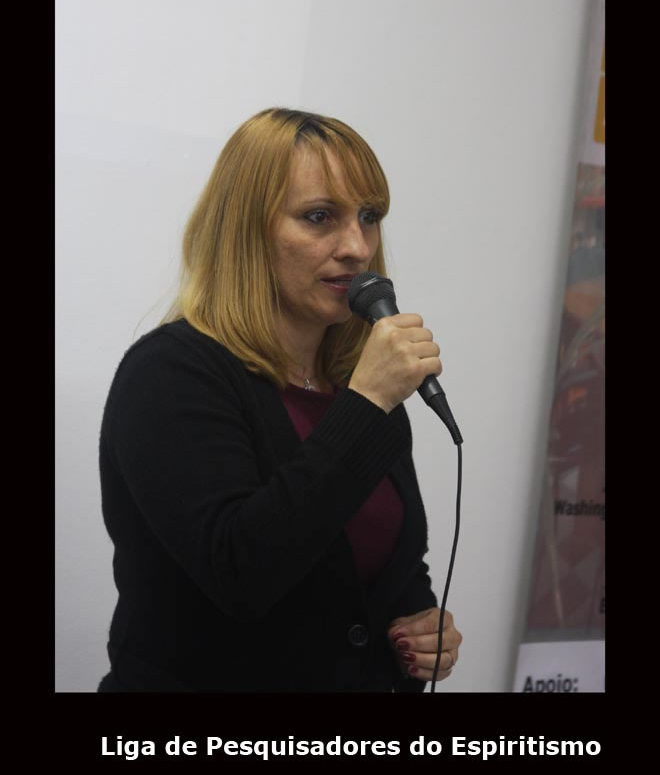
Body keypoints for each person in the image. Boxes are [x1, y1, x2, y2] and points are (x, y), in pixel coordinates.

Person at [97, 107, 462, 692]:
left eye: (369, 217)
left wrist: (417, 627)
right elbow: (241, 572)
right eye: (319, 217)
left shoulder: (356, 382)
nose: (357, 247)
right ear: (246, 229)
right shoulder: (170, 374)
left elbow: (385, 563)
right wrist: (367, 403)